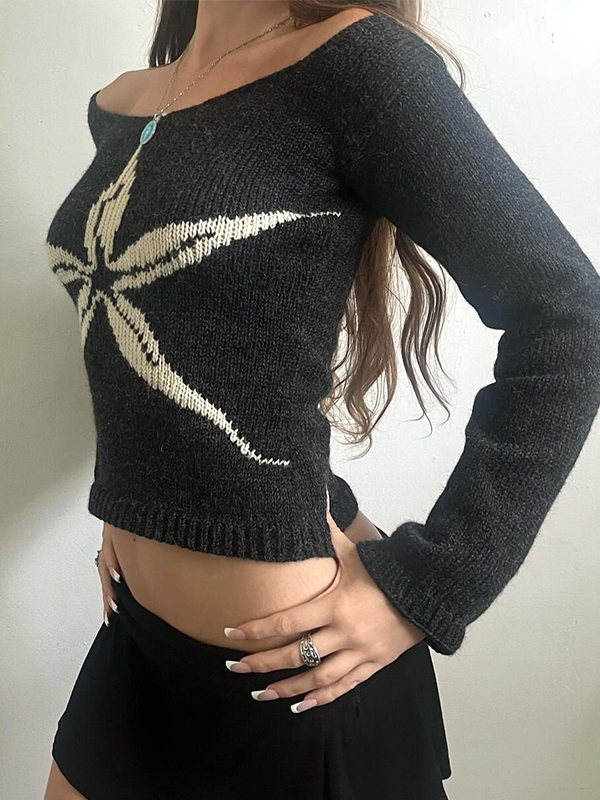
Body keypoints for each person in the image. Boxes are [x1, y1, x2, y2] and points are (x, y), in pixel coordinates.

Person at [42, 2, 600, 798]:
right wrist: (134, 502)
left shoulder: (359, 65)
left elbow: (569, 315)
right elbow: (168, 344)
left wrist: (428, 591)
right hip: (134, 649)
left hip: (296, 682)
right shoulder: (125, 103)